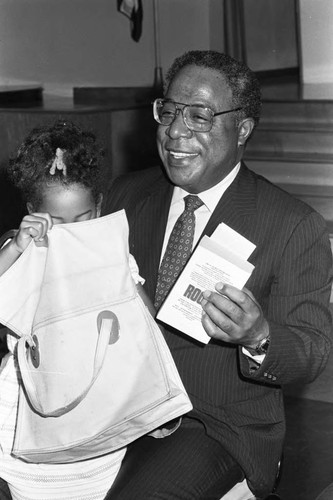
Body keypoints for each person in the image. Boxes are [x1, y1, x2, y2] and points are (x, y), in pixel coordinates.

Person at [103, 50, 333, 499]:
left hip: (214, 422)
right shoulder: (127, 194)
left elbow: (312, 351)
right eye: (167, 111)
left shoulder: (289, 224)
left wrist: (258, 335)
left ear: (242, 129)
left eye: (200, 116)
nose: (174, 130)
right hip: (119, 408)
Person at [0, 120, 152, 500]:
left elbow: (145, 320)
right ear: (33, 213)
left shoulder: (111, 255)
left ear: (99, 207)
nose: (71, 232)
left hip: (93, 405)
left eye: (83, 219)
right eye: (57, 222)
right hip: (28, 404)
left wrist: (122, 275)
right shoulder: (22, 253)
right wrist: (17, 248)